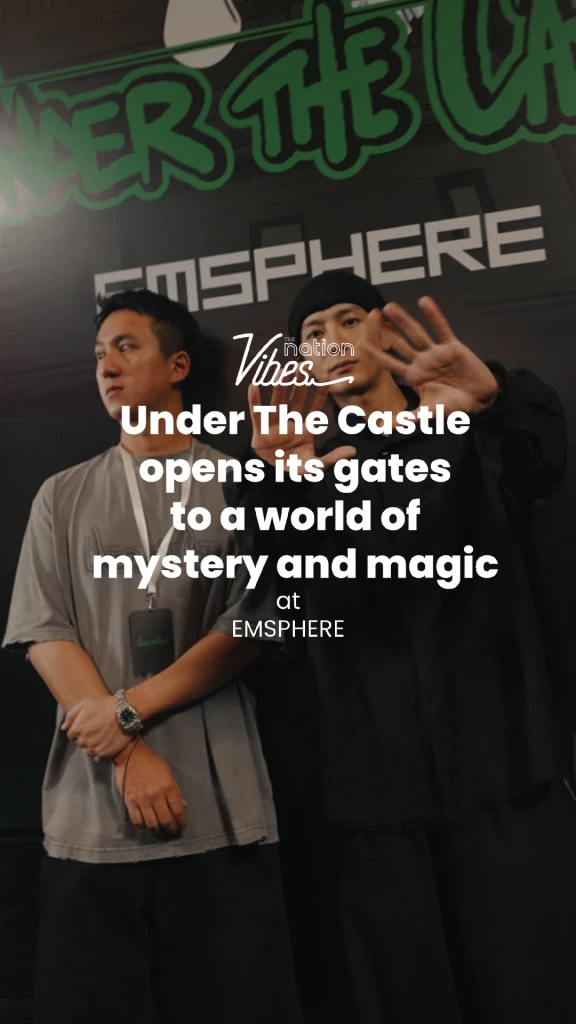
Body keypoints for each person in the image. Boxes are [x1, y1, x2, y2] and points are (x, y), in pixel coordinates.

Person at [225, 270, 576, 1024]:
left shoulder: (467, 422)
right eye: (312, 334)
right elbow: (282, 605)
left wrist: (494, 402)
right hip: (375, 797)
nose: (332, 341)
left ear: (384, 329)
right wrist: (280, 487)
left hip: (505, 770)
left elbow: (542, 462)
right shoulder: (303, 470)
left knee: (535, 988)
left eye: (348, 319)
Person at [2, 289, 303, 1024]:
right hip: (92, 819)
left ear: (178, 365)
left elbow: (255, 622)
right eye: (98, 354)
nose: (106, 367)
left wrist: (128, 711)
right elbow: (44, 630)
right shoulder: (61, 495)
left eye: (126, 347)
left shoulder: (243, 483)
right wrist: (129, 751)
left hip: (220, 812)